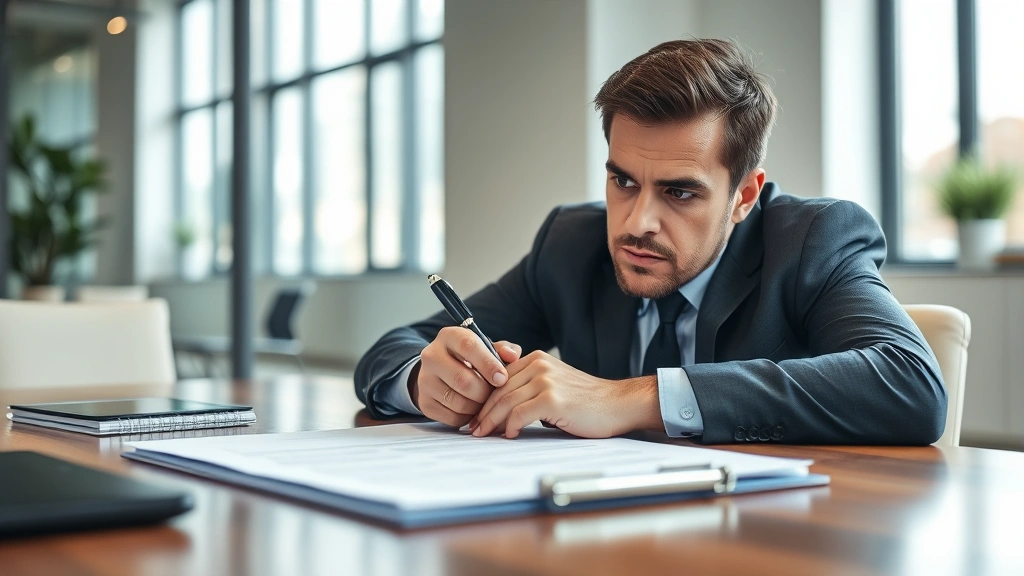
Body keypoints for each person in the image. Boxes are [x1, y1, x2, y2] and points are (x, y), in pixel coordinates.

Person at [354, 38, 946, 445]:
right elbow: (398, 347)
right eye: (623, 181)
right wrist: (423, 380)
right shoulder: (571, 244)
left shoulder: (812, 240)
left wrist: (634, 399)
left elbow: (910, 384)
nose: (637, 221)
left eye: (680, 193)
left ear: (744, 196)